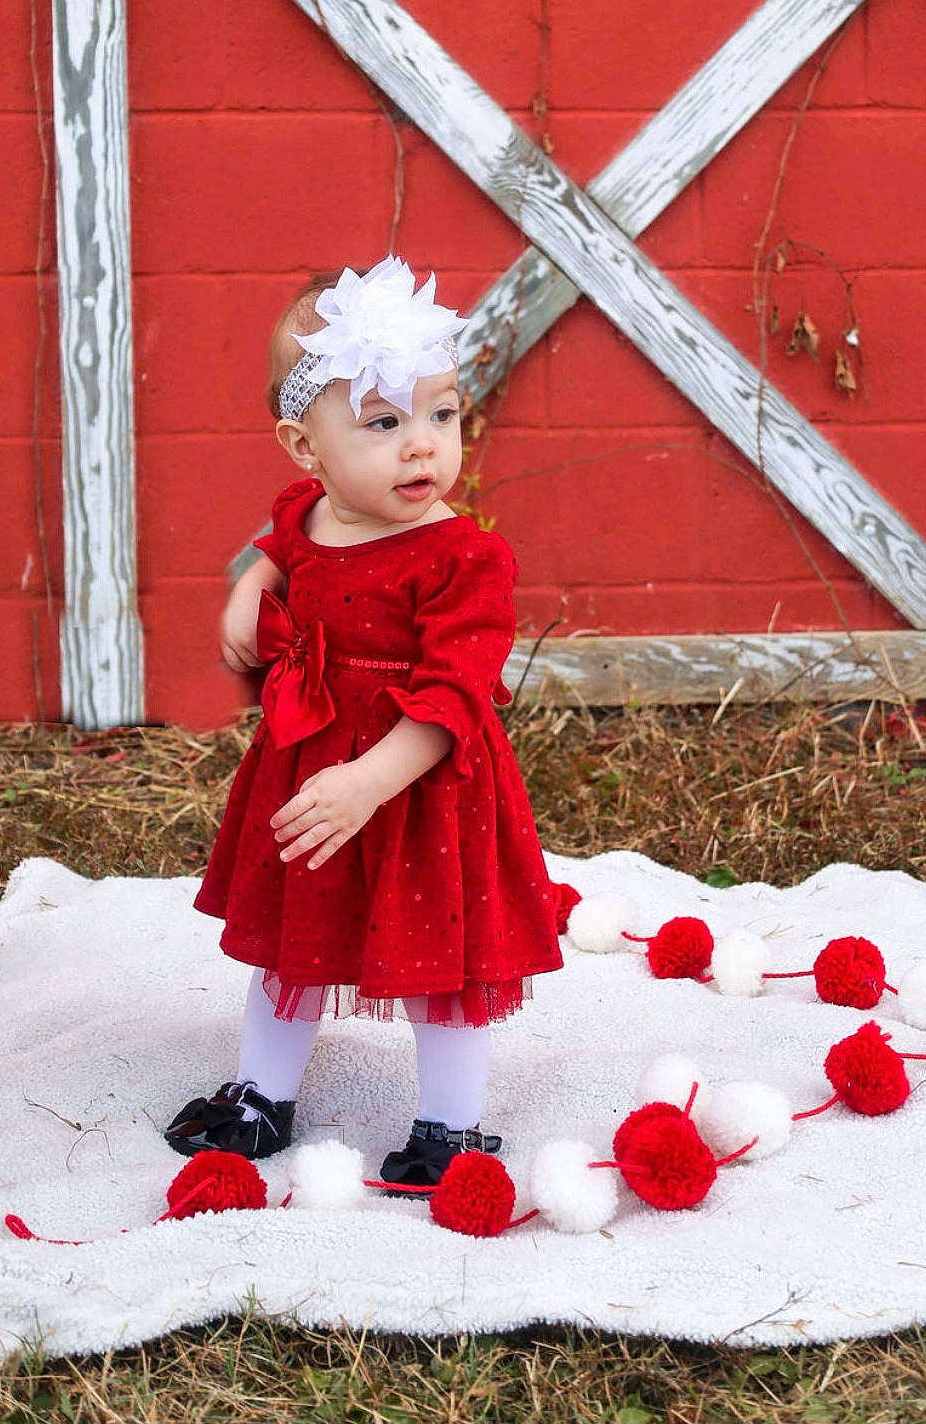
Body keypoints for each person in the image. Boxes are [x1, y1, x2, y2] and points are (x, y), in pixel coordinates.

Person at [165, 256, 562, 1194]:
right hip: (312, 768)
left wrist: (369, 781)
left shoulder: (464, 556)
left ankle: (450, 1127)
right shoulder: (312, 511)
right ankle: (262, 1094)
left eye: (442, 414)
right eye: (384, 424)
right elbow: (282, 544)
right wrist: (249, 589)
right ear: (305, 448)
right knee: (291, 930)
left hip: (417, 784)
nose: (422, 447)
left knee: (440, 953)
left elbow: (455, 698)